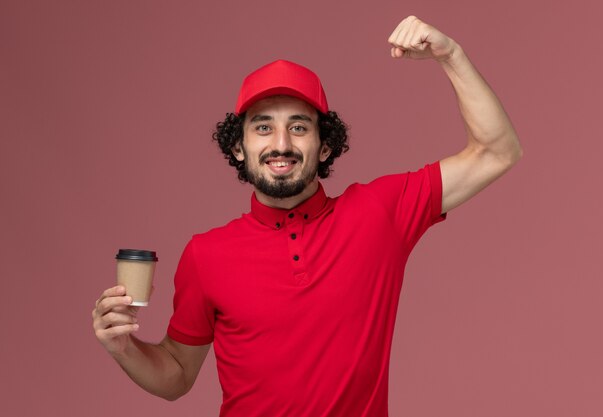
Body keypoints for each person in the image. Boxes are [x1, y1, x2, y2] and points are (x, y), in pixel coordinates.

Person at [92, 15, 522, 417]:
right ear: (239, 148)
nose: (281, 143)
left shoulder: (380, 212)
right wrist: (122, 347)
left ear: (325, 146)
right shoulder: (205, 254)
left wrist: (452, 55)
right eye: (263, 127)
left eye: (299, 127)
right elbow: (177, 375)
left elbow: (497, 151)